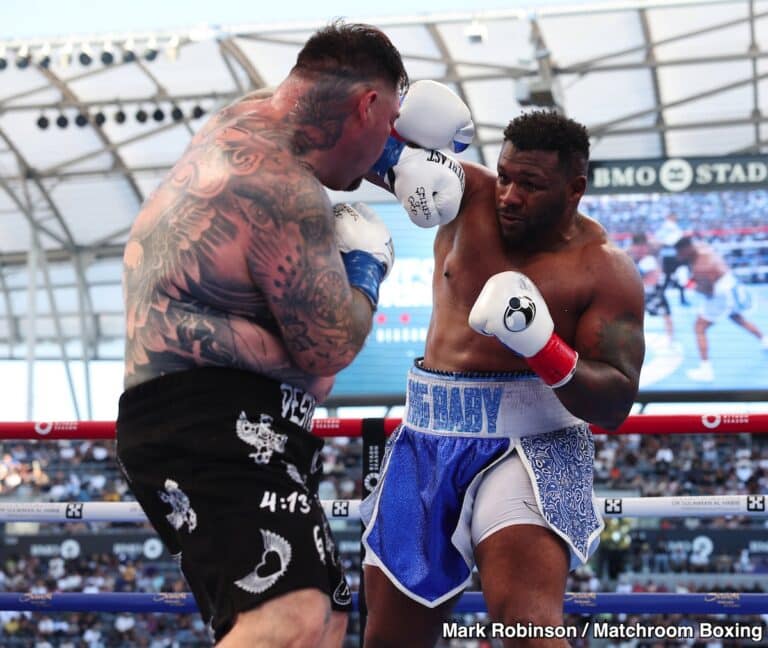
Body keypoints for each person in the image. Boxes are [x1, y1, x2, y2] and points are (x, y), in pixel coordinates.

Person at [115, 22, 408, 647]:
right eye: (391, 126)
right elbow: (330, 350)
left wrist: (392, 159)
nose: (392, 145)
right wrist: (366, 269)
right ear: (367, 106)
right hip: (207, 422)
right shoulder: (283, 190)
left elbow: (312, 369)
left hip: (233, 418)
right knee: (290, 617)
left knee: (327, 620)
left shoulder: (244, 118)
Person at [361, 110, 645, 648]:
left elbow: (615, 402)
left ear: (574, 189)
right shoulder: (467, 193)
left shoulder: (603, 270)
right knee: (391, 639)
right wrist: (398, 131)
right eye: (506, 175)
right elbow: (345, 150)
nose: (510, 195)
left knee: (526, 630)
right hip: (426, 437)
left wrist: (544, 346)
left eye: (532, 185)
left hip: (532, 448)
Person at [674, 235, 768, 382]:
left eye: (680, 253)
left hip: (720, 294)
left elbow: (707, 291)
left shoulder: (702, 267)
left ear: (686, 250)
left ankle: (706, 370)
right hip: (730, 287)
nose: (678, 256)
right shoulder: (701, 248)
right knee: (738, 319)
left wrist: (687, 283)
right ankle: (765, 340)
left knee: (699, 328)